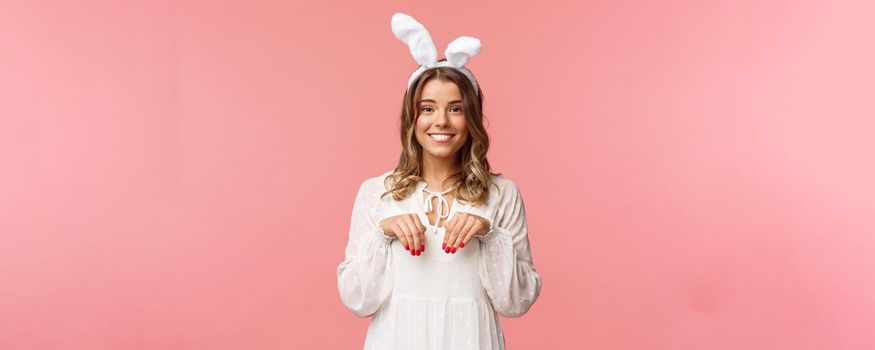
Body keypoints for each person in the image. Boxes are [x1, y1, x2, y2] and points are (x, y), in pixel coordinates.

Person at [336, 13, 542, 349]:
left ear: (471, 117)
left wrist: (489, 234)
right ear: (412, 118)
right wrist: (382, 234)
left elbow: (516, 302)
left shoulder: (502, 194)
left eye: (456, 109)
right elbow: (358, 300)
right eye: (428, 108)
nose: (441, 121)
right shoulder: (377, 192)